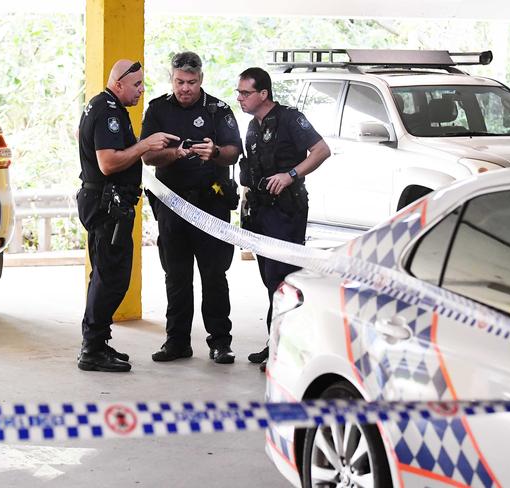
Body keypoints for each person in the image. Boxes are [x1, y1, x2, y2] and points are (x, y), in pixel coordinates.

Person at [77, 59, 178, 372]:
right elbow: (108, 163)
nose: (141, 91)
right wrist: (145, 144)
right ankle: (92, 350)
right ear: (118, 83)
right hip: (107, 206)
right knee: (111, 278)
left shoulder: (109, 107)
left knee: (108, 275)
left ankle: (97, 343)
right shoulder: (107, 111)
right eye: (136, 85)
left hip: (110, 205)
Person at [141, 51, 242, 364]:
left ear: (202, 79)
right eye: (180, 81)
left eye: (192, 82)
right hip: (172, 205)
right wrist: (177, 154)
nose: (185, 88)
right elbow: (147, 156)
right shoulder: (157, 109)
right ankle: (177, 342)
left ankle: (220, 342)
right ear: (171, 78)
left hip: (211, 205)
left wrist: (214, 152)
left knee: (214, 275)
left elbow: (234, 152)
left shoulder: (218, 109)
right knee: (176, 275)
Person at [237, 67, 330, 370]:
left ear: (263, 94)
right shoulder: (252, 126)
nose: (240, 98)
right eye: (239, 92)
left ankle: (288, 350)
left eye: (245, 93)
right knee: (269, 280)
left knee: (284, 279)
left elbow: (321, 150)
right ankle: (273, 342)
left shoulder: (291, 119)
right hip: (261, 212)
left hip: (286, 210)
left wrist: (291, 175)